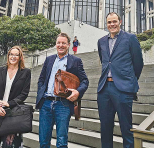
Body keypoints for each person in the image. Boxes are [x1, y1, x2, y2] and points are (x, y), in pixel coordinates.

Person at [97, 12, 144, 148]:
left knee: (126, 128)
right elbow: (105, 61)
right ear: (106, 24)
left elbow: (138, 63)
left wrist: (129, 81)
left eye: (114, 21)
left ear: (120, 22)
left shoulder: (130, 38)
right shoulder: (101, 41)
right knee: (105, 128)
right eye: (109, 22)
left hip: (123, 89)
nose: (112, 25)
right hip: (104, 89)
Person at [36, 32, 89, 148]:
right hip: (46, 103)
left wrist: (78, 92)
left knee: (61, 140)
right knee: (43, 140)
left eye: (63, 43)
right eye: (58, 43)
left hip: (63, 104)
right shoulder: (49, 59)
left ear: (69, 45)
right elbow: (41, 79)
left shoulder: (75, 61)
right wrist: (41, 93)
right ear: (56, 44)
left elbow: (85, 81)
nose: (61, 45)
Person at [0, 46, 31, 148]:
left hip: (13, 114)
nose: (13, 57)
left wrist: (9, 103)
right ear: (8, 56)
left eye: (16, 55)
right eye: (11, 54)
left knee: (10, 145)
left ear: (20, 57)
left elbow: (24, 94)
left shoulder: (26, 72)